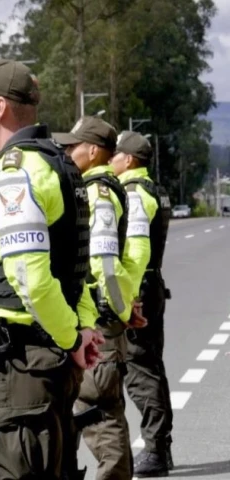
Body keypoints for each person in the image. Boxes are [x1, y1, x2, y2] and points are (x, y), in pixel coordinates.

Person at [0, 58, 105, 480]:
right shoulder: (55, 165)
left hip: (21, 367)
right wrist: (81, 330)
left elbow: (31, 278)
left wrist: (72, 337)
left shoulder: (16, 176)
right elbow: (73, 266)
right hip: (46, 361)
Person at [53, 116, 148, 480]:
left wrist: (121, 309)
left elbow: (106, 264)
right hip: (99, 319)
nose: (67, 151)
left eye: (74, 145)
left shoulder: (99, 194)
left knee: (100, 417)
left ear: (93, 151)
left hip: (100, 324)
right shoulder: (91, 187)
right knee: (88, 416)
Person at [110, 131, 173, 477]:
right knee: (151, 366)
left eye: (116, 155)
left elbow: (135, 252)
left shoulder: (134, 194)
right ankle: (159, 446)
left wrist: (129, 296)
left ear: (129, 159)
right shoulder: (154, 190)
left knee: (140, 370)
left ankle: (155, 449)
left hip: (140, 286)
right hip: (152, 283)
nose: (112, 160)